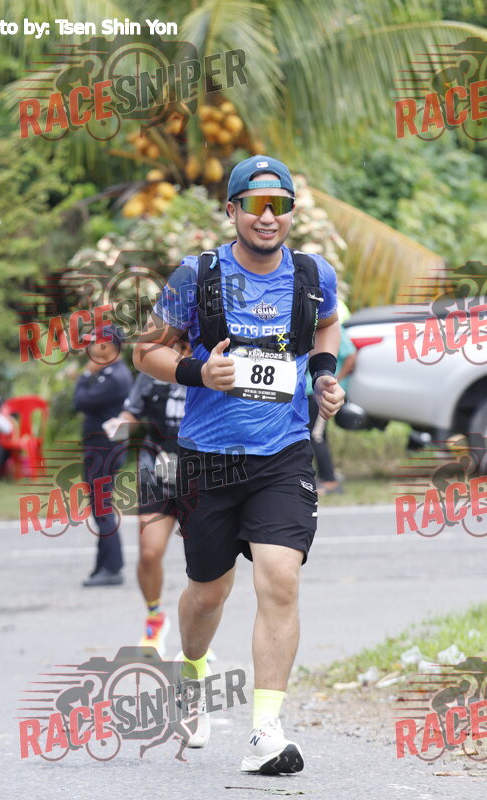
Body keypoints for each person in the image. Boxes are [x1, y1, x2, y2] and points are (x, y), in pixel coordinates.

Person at [133, 155, 345, 774]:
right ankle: (192, 674)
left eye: (279, 205)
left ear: (291, 213)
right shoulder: (197, 276)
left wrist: (324, 377)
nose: (267, 216)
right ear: (232, 211)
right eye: (254, 204)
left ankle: (265, 731)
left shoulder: (313, 275)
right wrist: (199, 371)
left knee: (280, 577)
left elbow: (328, 327)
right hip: (209, 458)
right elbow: (145, 352)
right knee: (208, 591)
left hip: (284, 453)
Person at [103, 343, 188, 655]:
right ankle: (155, 617)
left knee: (205, 559)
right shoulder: (152, 368)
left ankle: (199, 634)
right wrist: (120, 424)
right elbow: (132, 412)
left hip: (205, 471)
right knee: (149, 552)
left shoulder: (213, 360)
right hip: (157, 470)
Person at [73, 324, 132, 587]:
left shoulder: (115, 377)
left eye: (95, 342)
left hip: (104, 451)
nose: (90, 346)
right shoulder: (109, 373)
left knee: (102, 507)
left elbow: (80, 401)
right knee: (100, 506)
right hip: (100, 449)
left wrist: (85, 375)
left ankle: (112, 567)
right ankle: (104, 565)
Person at [306, 300, 356, 495]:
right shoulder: (308, 327)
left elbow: (351, 356)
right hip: (308, 391)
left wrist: (334, 381)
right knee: (315, 435)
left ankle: (330, 480)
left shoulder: (334, 329)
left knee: (316, 435)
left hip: (321, 392)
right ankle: (323, 478)